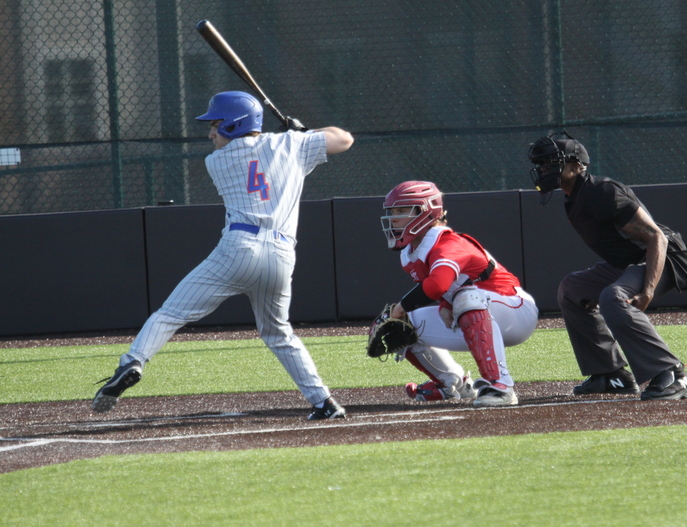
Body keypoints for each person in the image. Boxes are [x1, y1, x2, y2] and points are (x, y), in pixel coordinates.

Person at [92, 90, 354, 420]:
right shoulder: (289, 145)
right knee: (279, 333)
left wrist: (296, 139)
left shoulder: (218, 161)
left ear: (233, 125)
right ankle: (324, 402)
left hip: (239, 250)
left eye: (216, 125)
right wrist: (305, 134)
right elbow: (343, 139)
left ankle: (132, 362)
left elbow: (267, 158)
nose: (211, 133)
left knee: (170, 313)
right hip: (282, 256)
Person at [527, 131, 687, 400]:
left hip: (667, 259)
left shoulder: (601, 191)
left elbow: (656, 237)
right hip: (629, 263)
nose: (543, 170)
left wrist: (648, 290)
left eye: (550, 163)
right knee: (572, 289)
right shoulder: (574, 196)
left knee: (613, 297)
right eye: (541, 165)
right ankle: (610, 374)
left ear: (576, 166)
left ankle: (673, 374)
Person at [381, 181, 538, 407]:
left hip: (514, 310)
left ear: (425, 211)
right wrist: (444, 305)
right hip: (476, 310)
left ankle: (500, 385)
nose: (393, 218)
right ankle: (452, 384)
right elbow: (447, 288)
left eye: (401, 211)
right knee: (397, 325)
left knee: (465, 299)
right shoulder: (413, 252)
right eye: (392, 212)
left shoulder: (449, 244)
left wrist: (402, 306)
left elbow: (437, 285)